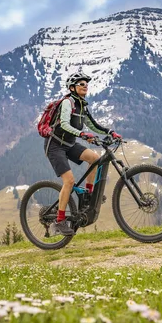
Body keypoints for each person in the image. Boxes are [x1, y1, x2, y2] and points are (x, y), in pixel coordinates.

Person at [44, 71, 122, 236]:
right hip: (55, 146)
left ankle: (88, 195)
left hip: (70, 144)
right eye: (81, 84)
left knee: (95, 159)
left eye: (86, 84)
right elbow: (64, 124)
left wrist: (110, 132)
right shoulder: (68, 102)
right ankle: (59, 221)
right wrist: (82, 135)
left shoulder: (82, 106)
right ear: (72, 87)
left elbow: (93, 125)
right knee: (69, 181)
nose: (85, 86)